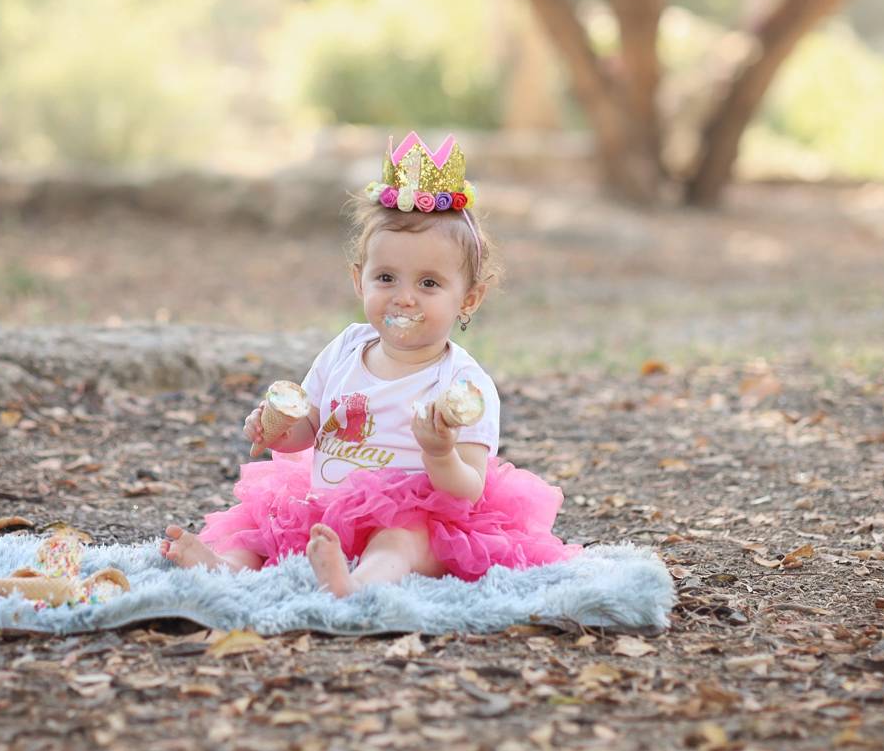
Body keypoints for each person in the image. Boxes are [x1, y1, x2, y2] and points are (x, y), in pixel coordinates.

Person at [160, 132, 577, 596]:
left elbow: (469, 490)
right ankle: (226, 567)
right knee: (266, 526)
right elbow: (310, 429)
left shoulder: (461, 384)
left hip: (419, 516)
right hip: (326, 504)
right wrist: (276, 430)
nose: (404, 297)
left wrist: (440, 453)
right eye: (386, 277)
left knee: (401, 539)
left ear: (469, 299)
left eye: (429, 284)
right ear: (359, 281)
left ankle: (357, 583)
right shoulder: (345, 349)